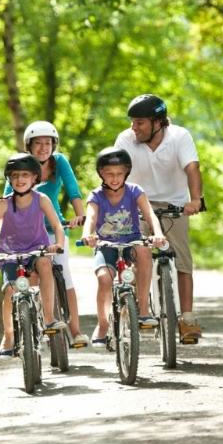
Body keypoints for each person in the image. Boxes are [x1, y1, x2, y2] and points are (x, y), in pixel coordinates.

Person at [114, 94, 204, 342]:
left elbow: (192, 168)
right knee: (135, 256)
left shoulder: (179, 136)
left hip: (175, 206)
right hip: (137, 205)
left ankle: (187, 318)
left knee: (183, 262)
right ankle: (134, 311)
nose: (134, 128)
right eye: (132, 122)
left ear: (158, 122)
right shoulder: (126, 140)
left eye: (140, 122)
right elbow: (115, 173)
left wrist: (195, 200)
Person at [3, 121, 89, 347]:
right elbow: (7, 198)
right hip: (26, 233)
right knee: (30, 278)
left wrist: (80, 215)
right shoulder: (21, 165)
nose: (43, 147)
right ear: (29, 146)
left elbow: (73, 190)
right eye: (38, 143)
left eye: (48, 143)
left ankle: (76, 331)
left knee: (64, 275)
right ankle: (33, 326)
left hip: (54, 228)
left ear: (54, 144)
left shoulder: (59, 161)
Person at [0, 153, 67, 361]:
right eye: (15, 175)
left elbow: (56, 226)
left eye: (25, 174)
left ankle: (49, 318)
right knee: (10, 291)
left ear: (35, 177)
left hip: (37, 250)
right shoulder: (4, 203)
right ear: (9, 178)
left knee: (45, 265)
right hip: (10, 254)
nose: (20, 179)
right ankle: (9, 336)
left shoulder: (41, 199)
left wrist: (58, 244)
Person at [80, 147, 166, 347]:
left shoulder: (135, 191)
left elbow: (150, 214)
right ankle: (102, 324)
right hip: (106, 244)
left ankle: (143, 310)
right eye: (109, 173)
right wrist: (87, 234)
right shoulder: (96, 195)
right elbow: (91, 217)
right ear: (101, 173)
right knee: (104, 278)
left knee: (144, 253)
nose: (115, 178)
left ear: (126, 172)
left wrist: (158, 233)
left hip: (131, 241)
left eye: (119, 173)